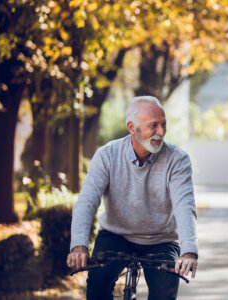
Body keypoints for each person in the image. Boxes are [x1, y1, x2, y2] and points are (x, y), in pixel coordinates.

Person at [67, 96, 198, 300]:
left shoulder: (177, 159)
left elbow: (185, 205)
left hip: (161, 239)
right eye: (153, 126)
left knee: (164, 294)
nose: (161, 132)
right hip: (115, 236)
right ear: (131, 128)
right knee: (97, 287)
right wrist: (79, 246)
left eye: (164, 125)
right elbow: (87, 202)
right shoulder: (107, 155)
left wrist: (189, 250)